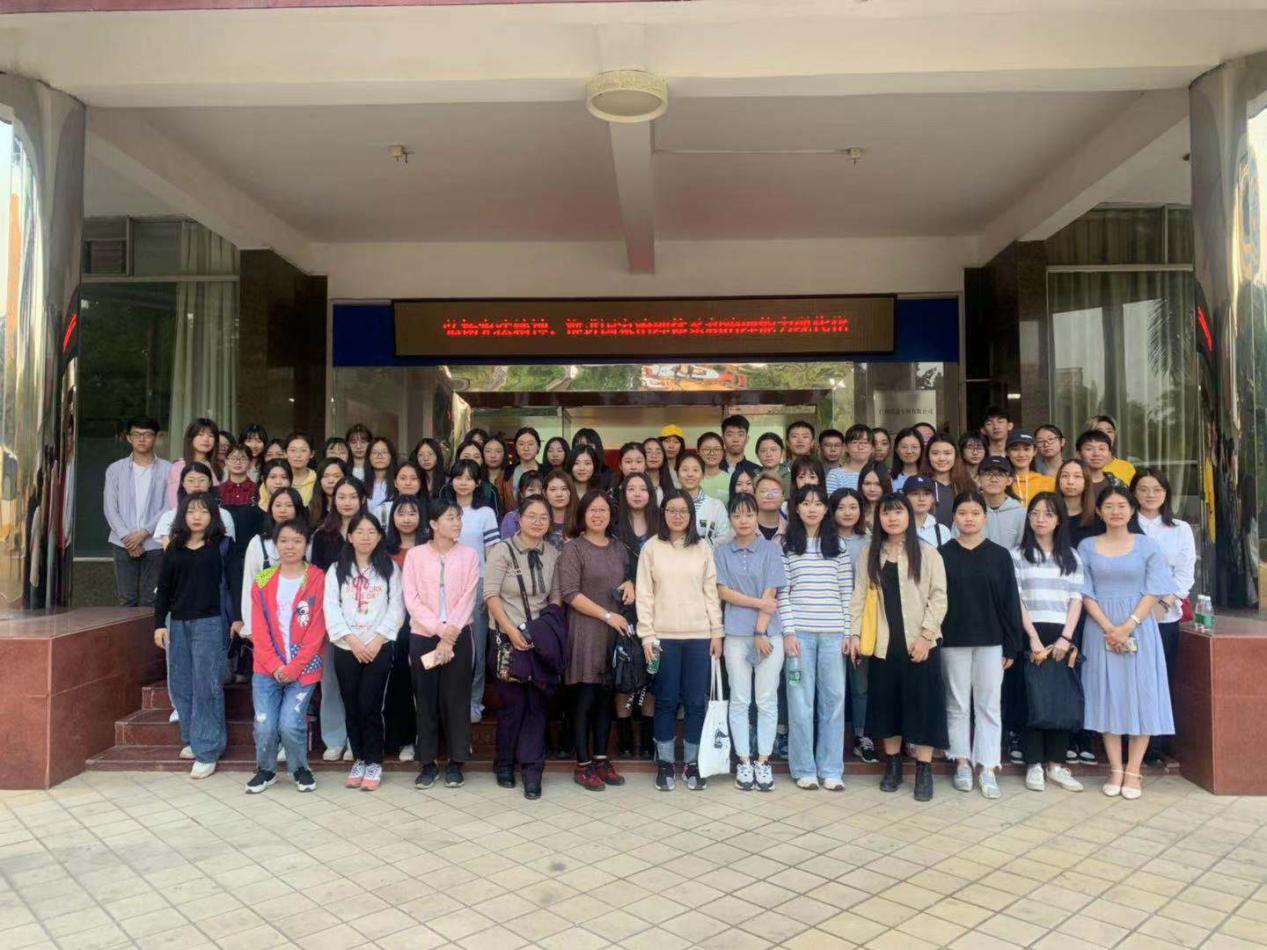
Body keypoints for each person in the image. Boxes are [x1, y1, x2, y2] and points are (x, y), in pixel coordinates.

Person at [1077, 484, 1175, 800]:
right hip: (1100, 628)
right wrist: (1110, 628)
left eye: (1122, 506)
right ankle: (1115, 768)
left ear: (1132, 510)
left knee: (1141, 695)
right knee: (1107, 695)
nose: (1116, 511)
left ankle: (1134, 770)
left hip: (1140, 627)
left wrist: (1128, 626)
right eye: (1109, 506)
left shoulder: (1147, 545)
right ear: (1099, 511)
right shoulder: (1087, 546)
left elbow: (1155, 588)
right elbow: (1084, 591)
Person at [849, 493, 948, 802]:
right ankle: (892, 766)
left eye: (898, 512)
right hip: (883, 644)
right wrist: (854, 634)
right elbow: (859, 594)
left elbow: (939, 597)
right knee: (887, 707)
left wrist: (926, 636)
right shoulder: (869, 553)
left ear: (909, 516)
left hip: (920, 644)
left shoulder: (927, 553)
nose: (892, 518)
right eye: (886, 513)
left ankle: (923, 770)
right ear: (878, 518)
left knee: (924, 707)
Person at [938, 490, 1025, 799]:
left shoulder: (999, 555)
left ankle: (987, 766)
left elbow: (1010, 601)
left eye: (975, 513)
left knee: (988, 705)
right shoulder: (942, 554)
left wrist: (1012, 644)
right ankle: (961, 761)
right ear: (954, 518)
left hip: (991, 641)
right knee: (957, 704)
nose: (969, 519)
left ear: (984, 518)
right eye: (963, 513)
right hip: (953, 640)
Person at [637, 489, 724, 791]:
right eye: (671, 510)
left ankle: (692, 763)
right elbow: (644, 594)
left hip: (699, 636)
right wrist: (647, 635)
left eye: (683, 511)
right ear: (662, 513)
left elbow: (711, 592)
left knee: (696, 702)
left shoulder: (702, 548)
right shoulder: (651, 547)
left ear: (691, 515)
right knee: (666, 700)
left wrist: (717, 632)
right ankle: (664, 763)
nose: (677, 516)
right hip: (663, 637)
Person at [485, 496, 564, 799]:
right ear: (518, 519)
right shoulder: (502, 550)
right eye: (532, 516)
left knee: (537, 705)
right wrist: (511, 631)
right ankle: (504, 763)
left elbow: (555, 597)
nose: (537, 522)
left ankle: (533, 770)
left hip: (538, 640)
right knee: (513, 705)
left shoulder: (553, 554)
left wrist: (543, 631)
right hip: (506, 638)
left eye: (543, 517)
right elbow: (491, 595)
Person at [779, 484, 853, 791]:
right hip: (800, 636)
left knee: (833, 702)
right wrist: (788, 632)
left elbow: (846, 592)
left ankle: (831, 769)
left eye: (818, 504)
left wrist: (848, 632)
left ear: (826, 510)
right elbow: (782, 593)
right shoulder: (786, 545)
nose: (812, 508)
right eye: (806, 503)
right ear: (796, 508)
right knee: (800, 703)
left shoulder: (839, 546)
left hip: (833, 635)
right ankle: (804, 768)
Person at [243, 518, 325, 794]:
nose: (290, 546)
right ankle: (266, 770)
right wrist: (275, 664)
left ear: (306, 545)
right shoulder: (263, 580)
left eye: (297, 541)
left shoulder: (317, 578)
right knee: (264, 724)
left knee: (290, 724)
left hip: (304, 667)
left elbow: (317, 629)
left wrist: (294, 667)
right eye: (284, 541)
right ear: (275, 545)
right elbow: (259, 629)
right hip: (266, 667)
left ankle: (300, 768)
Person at [324, 512, 405, 792]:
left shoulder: (390, 568)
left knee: (370, 705)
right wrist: (352, 641)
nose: (365, 537)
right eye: (360, 532)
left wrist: (377, 640)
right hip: (346, 646)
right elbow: (331, 607)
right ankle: (359, 758)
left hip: (378, 646)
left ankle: (374, 761)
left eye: (372, 532)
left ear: (380, 537)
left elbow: (396, 607)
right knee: (351, 705)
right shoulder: (337, 569)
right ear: (349, 536)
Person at [404, 500, 480, 790]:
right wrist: (439, 630)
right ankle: (427, 763)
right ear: (434, 524)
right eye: (450, 518)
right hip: (424, 635)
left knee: (456, 699)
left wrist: (450, 635)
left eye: (458, 518)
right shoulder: (415, 555)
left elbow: (469, 596)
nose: (457, 523)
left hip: (459, 635)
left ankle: (456, 762)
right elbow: (411, 599)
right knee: (425, 700)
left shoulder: (469, 555)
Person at [1013, 492, 1086, 793]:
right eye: (1035, 513)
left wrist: (1066, 637)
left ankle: (1056, 764)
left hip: (1062, 634)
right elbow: (1016, 598)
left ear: (1059, 520)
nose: (1040, 519)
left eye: (1048, 514)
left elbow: (1076, 598)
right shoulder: (1017, 555)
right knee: (1031, 698)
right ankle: (1033, 763)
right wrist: (1032, 637)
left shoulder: (1071, 556)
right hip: (1030, 631)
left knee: (1059, 699)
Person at [153, 491, 228, 780]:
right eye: (191, 511)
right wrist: (159, 624)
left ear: (213, 516)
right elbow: (164, 588)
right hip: (178, 622)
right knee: (182, 682)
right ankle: (194, 737)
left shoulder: (221, 546)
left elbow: (233, 583)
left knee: (206, 684)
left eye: (203, 511)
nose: (197, 517)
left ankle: (207, 749)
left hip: (209, 622)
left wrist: (237, 619)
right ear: (182, 516)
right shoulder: (174, 547)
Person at [559, 490, 630, 791]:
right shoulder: (573, 549)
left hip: (612, 634)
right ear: (583, 514)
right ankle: (583, 764)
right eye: (592, 510)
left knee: (605, 700)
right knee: (584, 700)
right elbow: (570, 593)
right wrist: (606, 615)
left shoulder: (619, 548)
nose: (598, 515)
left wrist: (631, 583)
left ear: (611, 515)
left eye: (603, 510)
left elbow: (627, 578)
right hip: (586, 631)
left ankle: (601, 759)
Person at [715, 492, 786, 792]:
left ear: (756, 516)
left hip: (768, 635)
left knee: (766, 700)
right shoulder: (722, 551)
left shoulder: (771, 550)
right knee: (740, 699)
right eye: (737, 515)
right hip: (735, 634)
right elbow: (723, 592)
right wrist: (757, 604)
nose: (743, 520)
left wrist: (759, 631)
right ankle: (744, 761)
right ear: (730, 518)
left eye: (748, 514)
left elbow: (772, 593)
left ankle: (763, 761)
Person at [1131, 468, 1196, 767]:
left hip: (1164, 616)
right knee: (1129, 678)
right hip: (1127, 614)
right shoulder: (1125, 524)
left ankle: (1156, 746)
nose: (1150, 495)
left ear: (1166, 493)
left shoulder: (1180, 528)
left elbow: (1184, 573)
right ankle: (1127, 741)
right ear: (1134, 493)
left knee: (1159, 678)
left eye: (1157, 489)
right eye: (1143, 489)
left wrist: (1165, 602)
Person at [310, 475, 366, 761]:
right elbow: (316, 577)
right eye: (341, 497)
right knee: (331, 680)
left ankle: (358, 739)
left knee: (361, 682)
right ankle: (334, 738)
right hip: (330, 617)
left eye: (353, 497)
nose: (347, 502)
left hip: (365, 616)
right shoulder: (323, 535)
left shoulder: (370, 532)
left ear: (362, 500)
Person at [441, 459, 500, 722]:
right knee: (448, 642)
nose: (463, 482)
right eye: (458, 477)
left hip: (477, 585)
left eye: (469, 478)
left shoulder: (485, 513)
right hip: (445, 587)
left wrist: (490, 590)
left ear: (478, 483)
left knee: (476, 646)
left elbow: (492, 554)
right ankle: (449, 700)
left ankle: (474, 700)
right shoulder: (443, 511)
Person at [614, 472, 659, 759]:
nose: (638, 493)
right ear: (624, 493)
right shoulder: (614, 526)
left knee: (652, 669)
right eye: (631, 488)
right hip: (623, 608)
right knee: (625, 668)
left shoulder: (661, 524)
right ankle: (625, 737)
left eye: (643, 488)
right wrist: (627, 581)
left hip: (657, 606)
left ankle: (647, 735)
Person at [104, 416, 171, 607]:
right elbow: (110, 508)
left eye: (147, 434)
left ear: (156, 437)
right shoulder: (115, 469)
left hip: (155, 542)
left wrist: (144, 533)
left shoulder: (168, 469)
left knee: (153, 599)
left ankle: (150, 630)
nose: (142, 439)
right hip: (122, 543)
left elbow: (169, 506)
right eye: (136, 434)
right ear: (128, 438)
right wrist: (128, 538)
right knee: (127, 599)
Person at [830, 487, 875, 763]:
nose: (847, 513)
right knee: (831, 685)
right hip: (830, 620)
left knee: (861, 684)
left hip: (862, 622)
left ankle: (862, 735)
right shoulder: (823, 540)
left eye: (853, 507)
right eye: (841, 507)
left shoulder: (869, 542)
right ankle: (829, 736)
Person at [385, 494, 425, 762]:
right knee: (400, 683)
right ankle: (405, 739)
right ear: (392, 518)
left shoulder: (429, 548)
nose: (407, 519)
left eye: (412, 513)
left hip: (424, 623)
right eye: (401, 513)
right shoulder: (384, 551)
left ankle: (429, 736)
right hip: (394, 626)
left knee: (426, 684)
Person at [154, 462, 236, 547]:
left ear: (209, 483)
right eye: (191, 480)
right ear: (183, 484)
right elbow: (168, 550)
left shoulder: (224, 515)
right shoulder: (169, 516)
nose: (196, 485)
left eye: (202, 480)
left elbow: (227, 546)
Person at [675, 450, 732, 546]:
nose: (690, 474)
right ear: (677, 474)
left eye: (695, 470)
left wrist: (701, 547)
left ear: (702, 475)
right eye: (685, 470)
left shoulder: (716, 506)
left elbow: (725, 538)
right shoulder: (669, 503)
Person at [165, 417, 221, 508]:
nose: (206, 439)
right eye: (200, 434)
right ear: (191, 438)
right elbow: (175, 503)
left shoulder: (217, 467)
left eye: (211, 436)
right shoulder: (179, 467)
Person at [922, 433, 972, 525]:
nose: (941, 458)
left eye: (947, 453)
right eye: (935, 453)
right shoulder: (920, 485)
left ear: (956, 455)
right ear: (928, 456)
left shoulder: (968, 485)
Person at [977, 456, 1025, 549]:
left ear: (1009, 480)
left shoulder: (1020, 513)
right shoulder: (969, 510)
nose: (994, 479)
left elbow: (1024, 549)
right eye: (988, 474)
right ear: (978, 478)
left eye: (1000, 475)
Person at [1056, 458, 1102, 546]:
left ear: (1086, 481)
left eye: (1077, 476)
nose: (1070, 482)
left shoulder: (1098, 518)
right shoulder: (1048, 514)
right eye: (1065, 476)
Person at [1006, 431, 1055, 507]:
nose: (1021, 454)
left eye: (1026, 449)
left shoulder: (1050, 482)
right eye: (1015, 449)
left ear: (1035, 451)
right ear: (1007, 452)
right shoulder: (1001, 483)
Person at [1087, 414, 1137, 486]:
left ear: (1115, 436)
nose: (1105, 434)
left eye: (1109, 431)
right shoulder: (1082, 468)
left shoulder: (1127, 467)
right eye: (1100, 431)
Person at [903, 476, 949, 547]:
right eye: (915, 494)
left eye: (926, 494)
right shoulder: (897, 528)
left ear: (933, 498)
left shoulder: (942, 531)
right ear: (905, 498)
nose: (921, 499)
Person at [826, 424, 872, 494]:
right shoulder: (835, 475)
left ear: (872, 448)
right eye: (855, 442)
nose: (860, 447)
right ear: (846, 447)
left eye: (865, 443)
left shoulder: (880, 474)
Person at [500, 470, 544, 539]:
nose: (537, 493)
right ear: (521, 494)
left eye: (540, 490)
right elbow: (506, 544)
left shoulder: (549, 517)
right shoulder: (511, 518)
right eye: (531, 490)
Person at [283, 432, 318, 511]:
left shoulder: (318, 480)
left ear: (312, 454)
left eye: (303, 450)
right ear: (285, 453)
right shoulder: (276, 479)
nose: (298, 455)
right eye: (293, 450)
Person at [543, 469, 577, 549]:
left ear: (571, 491)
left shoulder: (581, 521)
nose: (559, 494)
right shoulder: (538, 521)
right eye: (553, 489)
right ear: (544, 493)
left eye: (564, 489)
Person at [216, 442, 256, 508]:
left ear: (250, 463)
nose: (238, 462)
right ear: (226, 461)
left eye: (243, 459)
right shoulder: (217, 490)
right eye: (233, 458)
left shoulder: (257, 490)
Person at [857, 461, 893, 531]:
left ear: (886, 485)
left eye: (878, 484)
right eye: (867, 483)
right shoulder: (854, 510)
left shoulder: (894, 511)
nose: (872, 489)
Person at [363, 437, 396, 509]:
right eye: (374, 453)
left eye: (384, 452)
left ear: (391, 456)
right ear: (369, 457)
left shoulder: (398, 484)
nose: (379, 456)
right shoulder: (361, 485)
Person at [697, 432, 730, 504]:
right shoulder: (692, 479)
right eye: (706, 449)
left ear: (723, 452)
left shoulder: (731, 479)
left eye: (717, 449)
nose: (712, 453)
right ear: (698, 451)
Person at [754, 473, 787, 541]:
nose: (770, 496)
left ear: (783, 497)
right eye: (763, 491)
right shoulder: (741, 528)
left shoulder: (791, 530)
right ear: (754, 496)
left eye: (775, 492)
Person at [511, 426, 542, 491]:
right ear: (516, 447)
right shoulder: (507, 473)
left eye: (530, 444)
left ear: (538, 447)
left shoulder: (547, 472)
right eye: (521, 444)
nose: (526, 448)